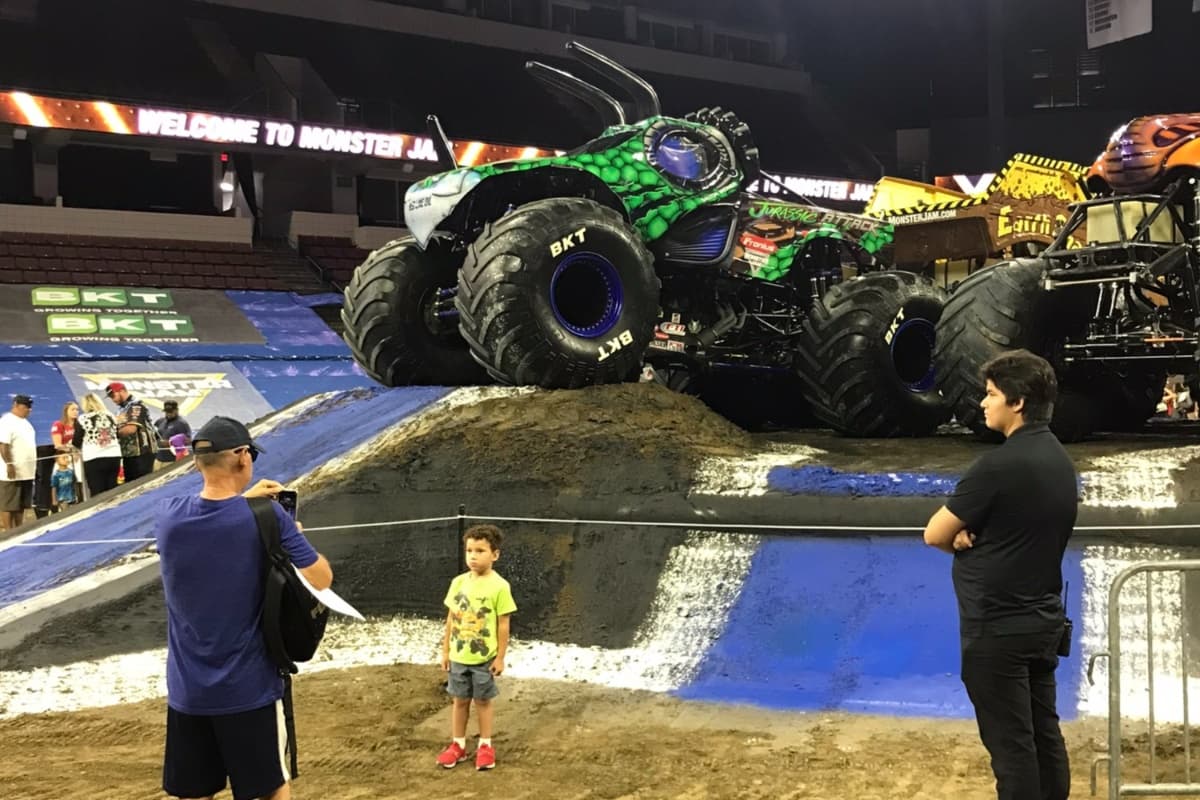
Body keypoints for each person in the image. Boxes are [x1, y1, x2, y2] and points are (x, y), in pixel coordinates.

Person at [923, 349, 1077, 800]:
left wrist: (958, 538)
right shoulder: (1060, 461)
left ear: (1018, 401)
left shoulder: (996, 466)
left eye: (991, 394)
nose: (983, 402)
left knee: (1012, 751)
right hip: (1042, 621)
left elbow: (934, 533)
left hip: (997, 629)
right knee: (1044, 736)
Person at [156, 416, 332, 800]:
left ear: (197, 462)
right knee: (269, 790)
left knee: (193, 791)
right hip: (249, 688)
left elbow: (215, 517)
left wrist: (246, 500)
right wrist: (290, 531)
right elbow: (321, 578)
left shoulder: (169, 515)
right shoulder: (271, 519)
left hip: (188, 689)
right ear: (241, 456)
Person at [436, 523, 517, 772]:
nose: (473, 556)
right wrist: (446, 651)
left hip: (483, 659)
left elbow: (503, 624)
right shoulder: (458, 583)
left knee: (482, 701)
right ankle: (458, 745)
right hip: (458, 657)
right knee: (460, 700)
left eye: (480, 551)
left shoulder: (500, 586)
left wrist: (500, 657)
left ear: (495, 554)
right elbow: (451, 618)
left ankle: (485, 745)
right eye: (469, 550)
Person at [73, 394, 123, 497]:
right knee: (113, 490)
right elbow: (117, 434)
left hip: (94, 458)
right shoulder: (110, 416)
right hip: (113, 456)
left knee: (97, 492)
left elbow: (76, 441)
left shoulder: (83, 418)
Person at [106, 382, 156, 483]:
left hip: (141, 452)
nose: (112, 399)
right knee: (130, 483)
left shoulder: (136, 405)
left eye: (113, 395)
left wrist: (111, 434)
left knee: (141, 484)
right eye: (110, 397)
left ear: (122, 391)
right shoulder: (121, 409)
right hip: (128, 454)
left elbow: (131, 429)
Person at [0, 394, 37, 531]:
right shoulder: (6, 421)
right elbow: (3, 445)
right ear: (16, 405)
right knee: (9, 504)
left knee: (21, 504)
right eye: (26, 406)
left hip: (26, 471)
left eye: (30, 407)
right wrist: (9, 464)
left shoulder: (26, 423)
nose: (29, 409)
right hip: (12, 472)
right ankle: (9, 531)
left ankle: (19, 529)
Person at [154, 400, 191, 471]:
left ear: (176, 410)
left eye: (171, 412)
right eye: (166, 412)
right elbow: (154, 436)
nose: (168, 414)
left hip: (172, 460)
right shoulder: (160, 421)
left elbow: (188, 441)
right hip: (158, 459)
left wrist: (170, 442)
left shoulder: (181, 423)